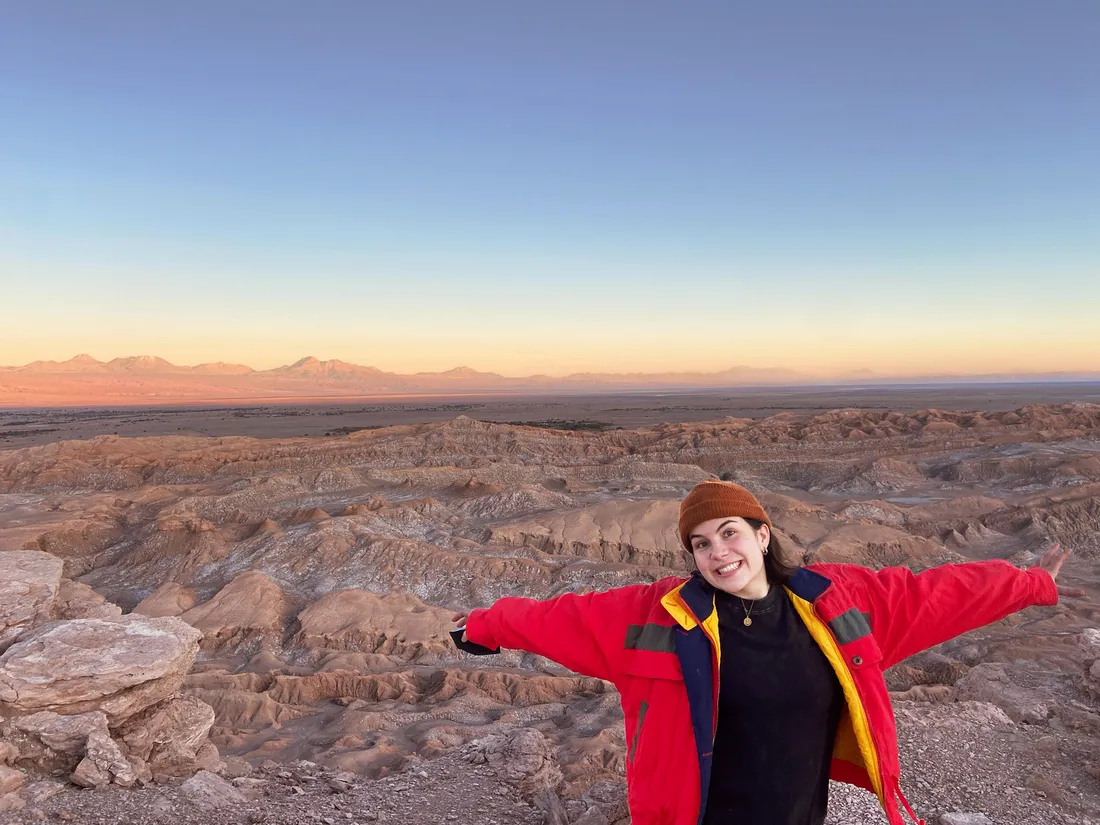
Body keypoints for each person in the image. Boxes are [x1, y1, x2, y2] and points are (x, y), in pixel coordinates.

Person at [450, 480, 1082, 825]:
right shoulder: (658, 618)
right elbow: (562, 618)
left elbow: (932, 594)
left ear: (762, 533)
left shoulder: (838, 604)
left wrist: (1030, 582)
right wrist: (484, 625)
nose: (717, 552)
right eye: (699, 544)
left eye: (729, 533)